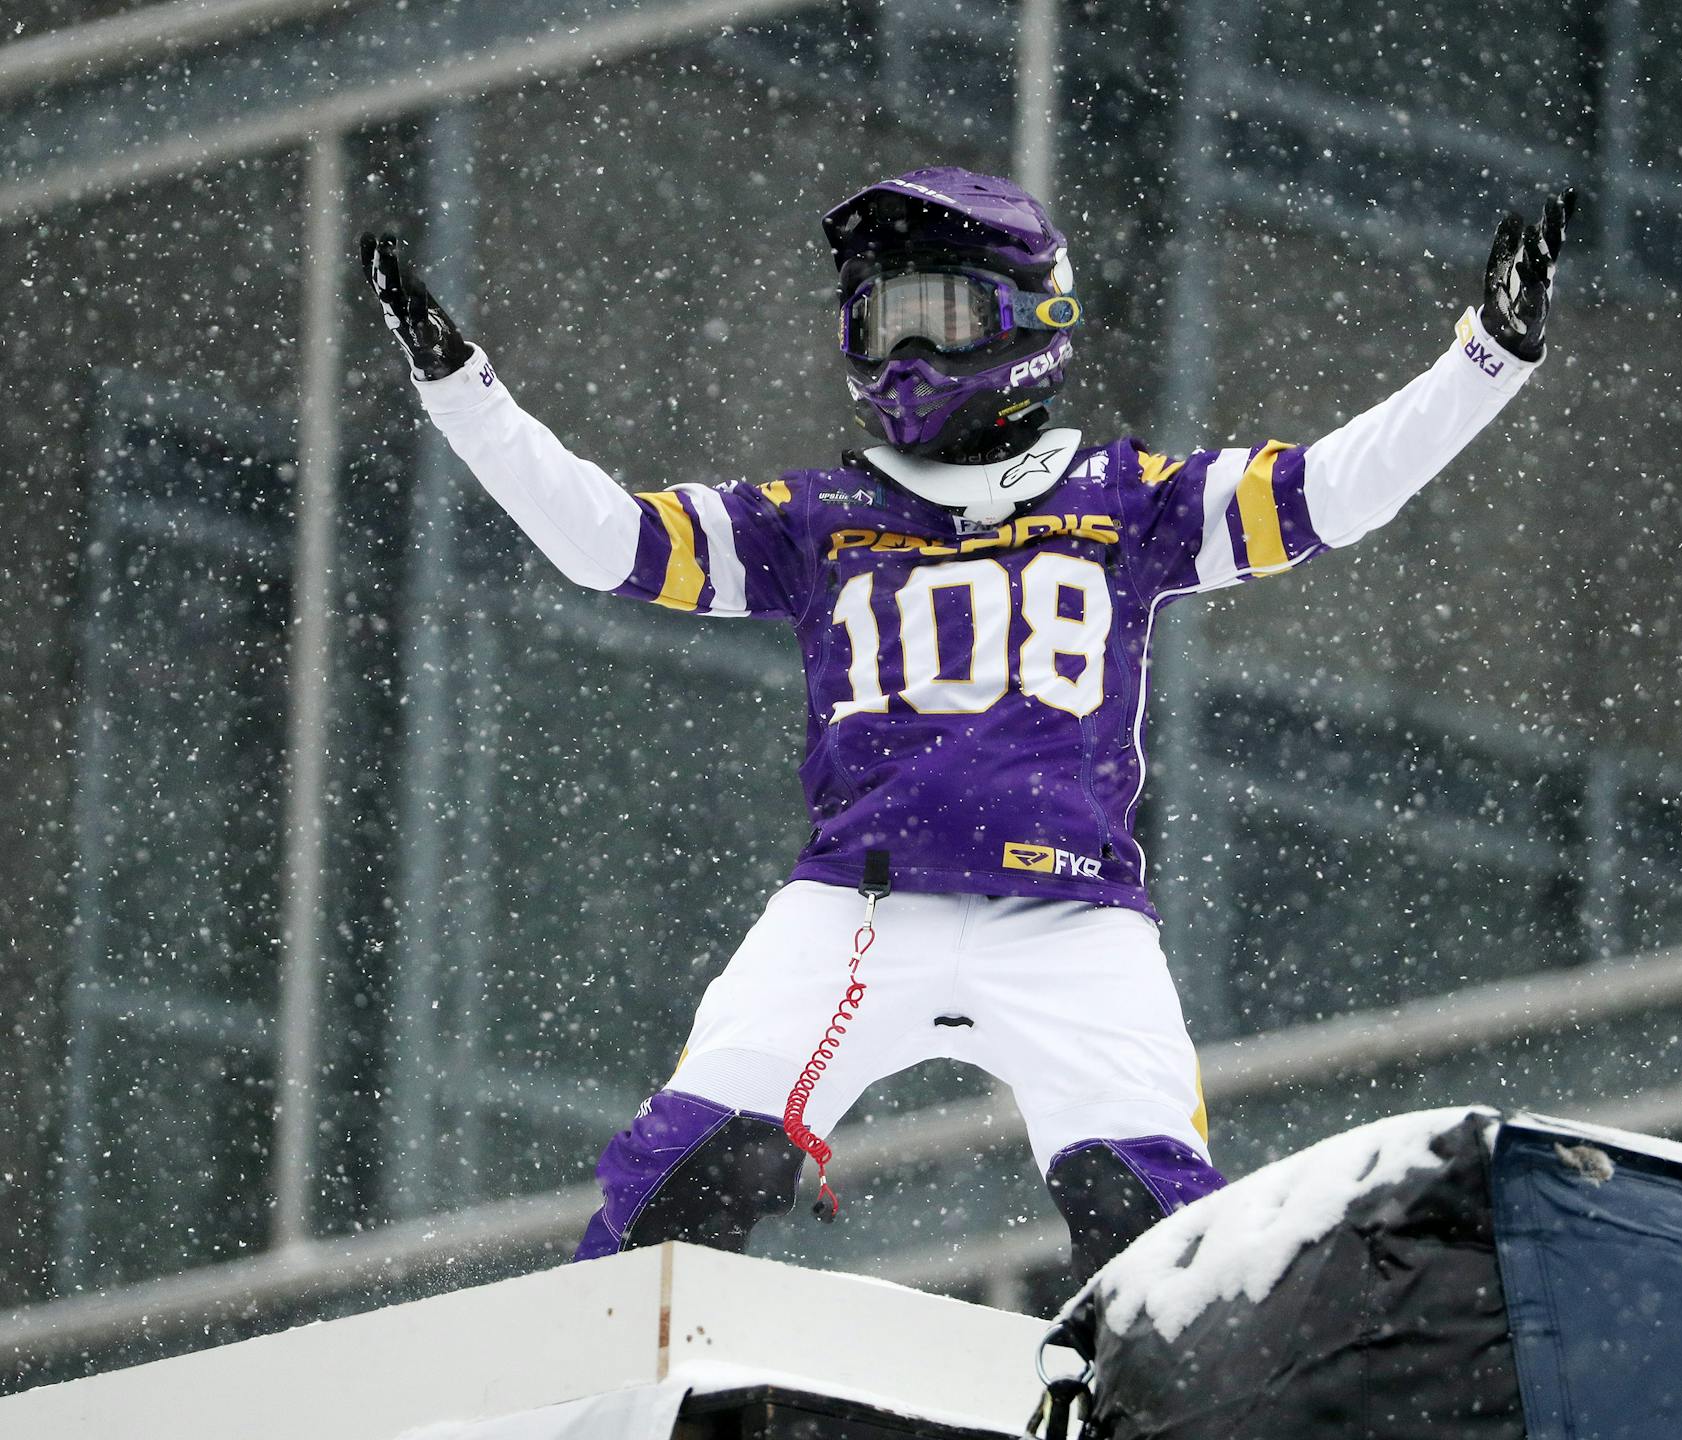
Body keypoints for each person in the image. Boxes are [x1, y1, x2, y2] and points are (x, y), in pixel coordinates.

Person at [362, 167, 1569, 1283]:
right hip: (856, 911)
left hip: (1074, 921)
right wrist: (463, 392)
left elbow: (1328, 493)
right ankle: (606, 1406)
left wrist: (1488, 359)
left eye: (936, 312)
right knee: (679, 1177)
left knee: (1161, 1235)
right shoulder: (819, 515)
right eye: (878, 320)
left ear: (1028, 321)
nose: (905, 353)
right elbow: (608, 543)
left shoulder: (1126, 502)